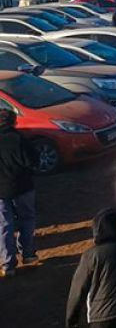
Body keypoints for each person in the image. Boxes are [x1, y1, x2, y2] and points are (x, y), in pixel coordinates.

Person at [0, 108, 37, 278]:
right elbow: (33, 161)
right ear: (14, 121)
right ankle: (28, 255)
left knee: (4, 226)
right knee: (26, 220)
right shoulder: (20, 139)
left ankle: (8, 264)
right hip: (23, 187)